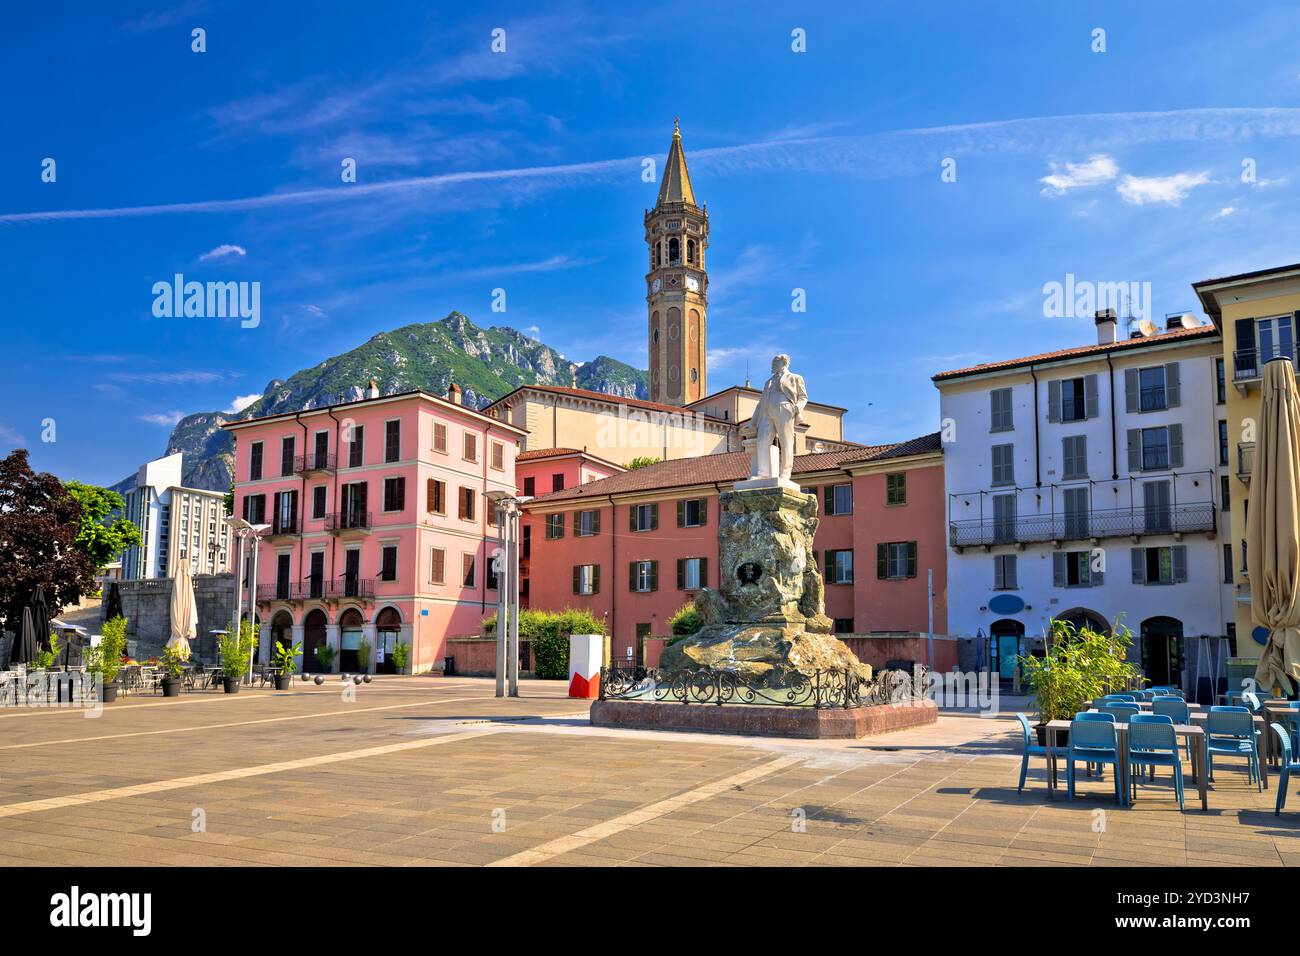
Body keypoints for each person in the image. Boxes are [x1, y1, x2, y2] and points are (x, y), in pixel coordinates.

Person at [745, 354, 808, 480]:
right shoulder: (768, 382)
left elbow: (803, 397)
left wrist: (796, 408)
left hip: (784, 409)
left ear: (783, 363)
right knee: (762, 441)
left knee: (786, 442)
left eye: (775, 363)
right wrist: (753, 422)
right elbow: (760, 403)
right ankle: (762, 473)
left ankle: (785, 473)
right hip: (766, 412)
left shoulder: (795, 378)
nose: (772, 366)